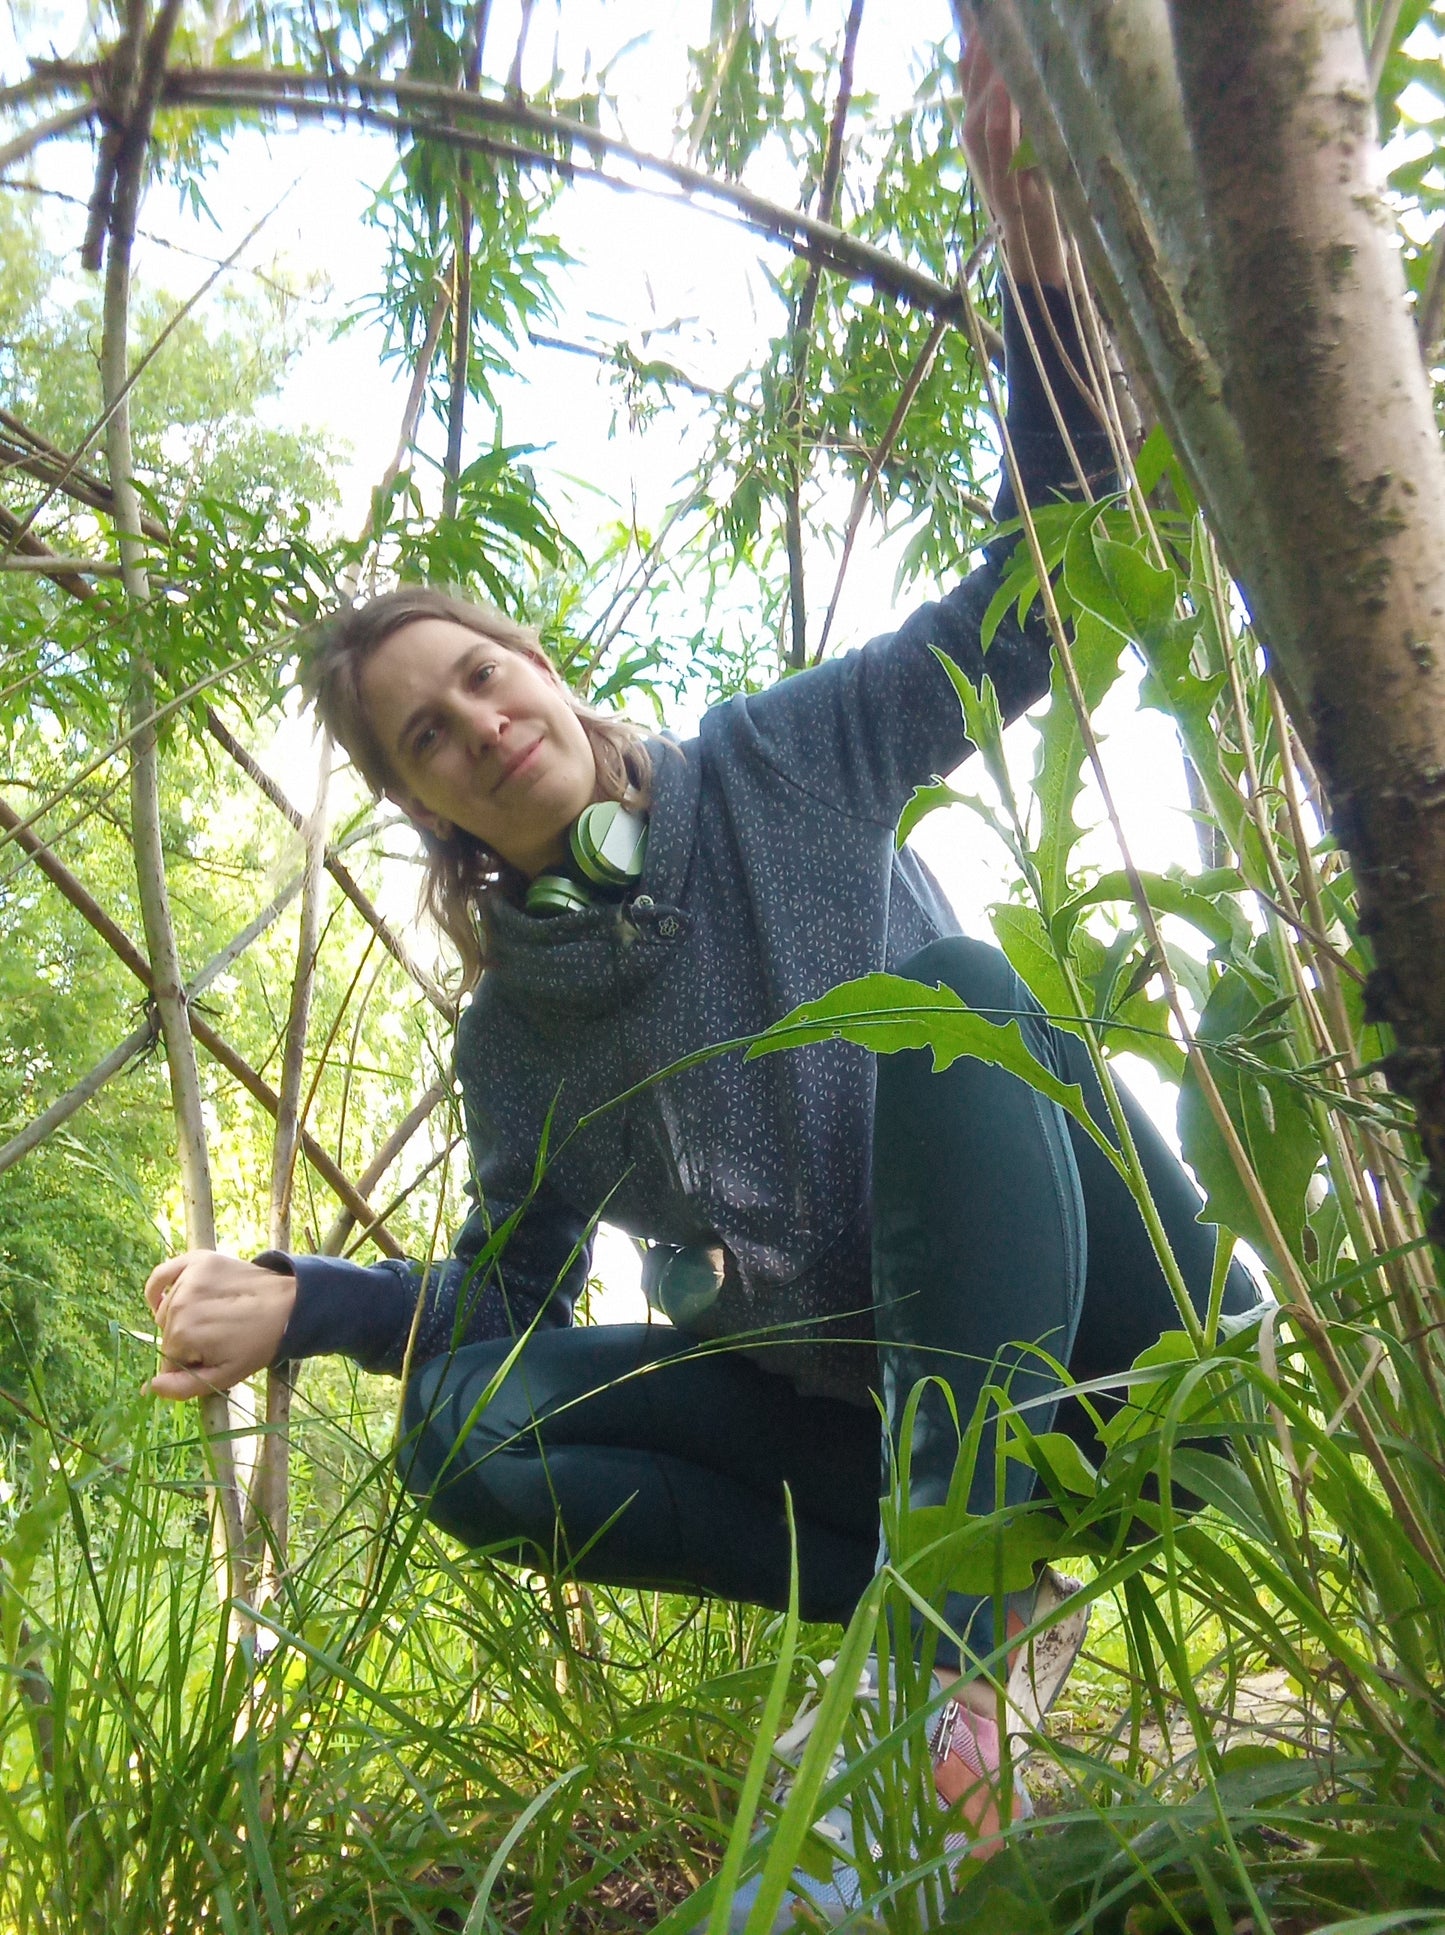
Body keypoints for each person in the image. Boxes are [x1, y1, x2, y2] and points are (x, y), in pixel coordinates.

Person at [144, 42, 1256, 1919]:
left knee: (958, 1001)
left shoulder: (785, 758)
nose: (478, 725)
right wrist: (310, 1302)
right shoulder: (524, 1040)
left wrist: (1046, 280)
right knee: (468, 1434)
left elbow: (1030, 598)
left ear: (549, 676)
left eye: (485, 676)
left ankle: (940, 1679)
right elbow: (500, 1293)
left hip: (1130, 1367)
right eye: (426, 734)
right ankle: (953, 1611)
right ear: (427, 807)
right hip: (884, 1450)